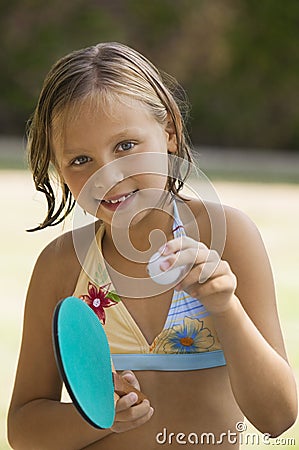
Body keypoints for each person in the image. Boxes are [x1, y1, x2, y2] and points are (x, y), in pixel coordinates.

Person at [7, 42, 297, 450]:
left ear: (170, 132)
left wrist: (225, 306)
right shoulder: (61, 264)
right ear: (58, 167)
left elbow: (277, 417)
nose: (107, 176)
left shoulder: (228, 237)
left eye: (125, 146)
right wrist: (102, 419)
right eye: (80, 160)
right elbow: (23, 428)